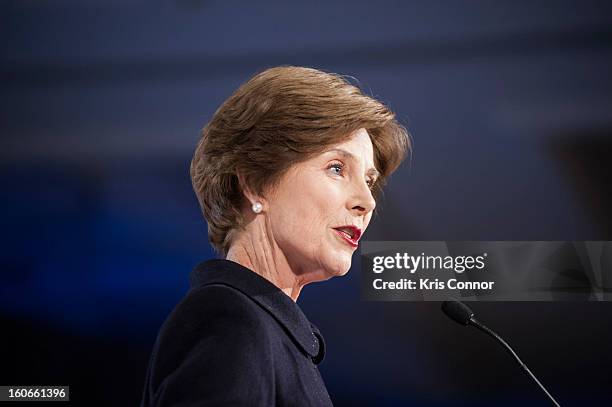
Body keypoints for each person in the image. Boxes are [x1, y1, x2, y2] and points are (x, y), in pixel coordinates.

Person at [141, 66, 410, 406]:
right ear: (255, 184)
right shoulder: (230, 321)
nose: (367, 201)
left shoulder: (265, 329)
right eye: (337, 168)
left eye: (369, 181)